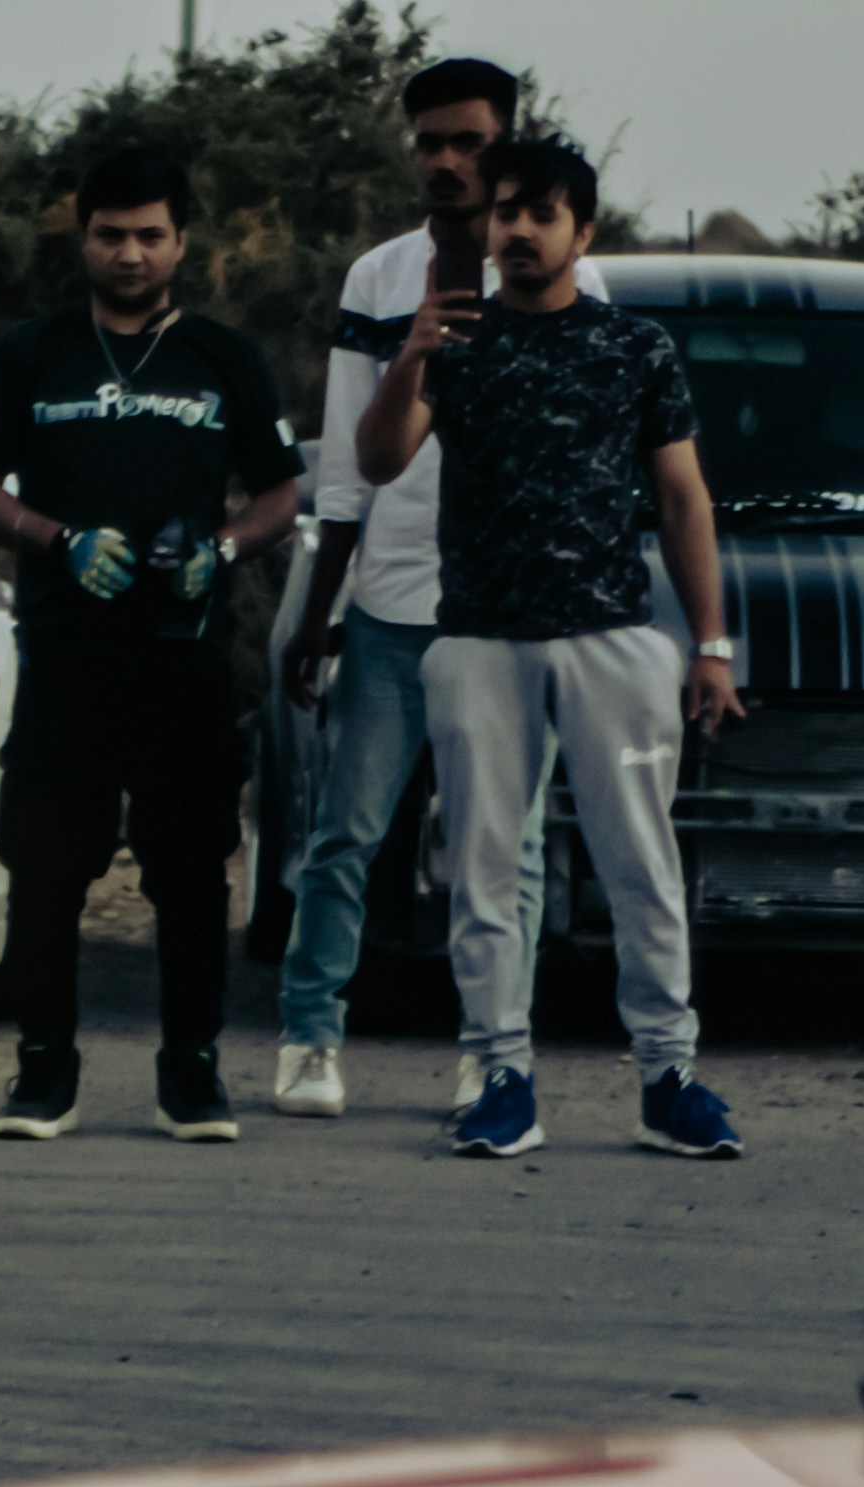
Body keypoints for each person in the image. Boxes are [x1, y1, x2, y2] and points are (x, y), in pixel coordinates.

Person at [359, 133, 744, 1163]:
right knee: (484, 869)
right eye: (506, 212)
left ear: (584, 231)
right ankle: (501, 1077)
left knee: (641, 865)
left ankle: (669, 1078)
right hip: (482, 640)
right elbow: (380, 460)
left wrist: (710, 643)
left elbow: (683, 498)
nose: (520, 230)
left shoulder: (633, 346)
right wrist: (413, 354)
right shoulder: (455, 341)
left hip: (611, 637)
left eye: (543, 213)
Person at [0, 146, 300, 1146]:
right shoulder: (32, 352)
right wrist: (54, 537)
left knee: (190, 876)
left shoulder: (226, 357)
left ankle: (191, 1073)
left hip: (185, 664)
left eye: (150, 235)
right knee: (47, 871)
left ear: (181, 243)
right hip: (67, 659)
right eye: (111, 235)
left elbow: (281, 492)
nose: (130, 254)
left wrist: (221, 548)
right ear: (84, 239)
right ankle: (44, 1070)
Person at [271, 55, 562, 1117]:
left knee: (507, 849)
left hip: (510, 613)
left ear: (506, 144)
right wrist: (318, 612)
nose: (447, 161)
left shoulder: (571, 280)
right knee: (345, 834)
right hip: (392, 605)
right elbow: (351, 462)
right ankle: (309, 1037)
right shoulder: (380, 279)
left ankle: (495, 1048)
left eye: (468, 142)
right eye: (430, 142)